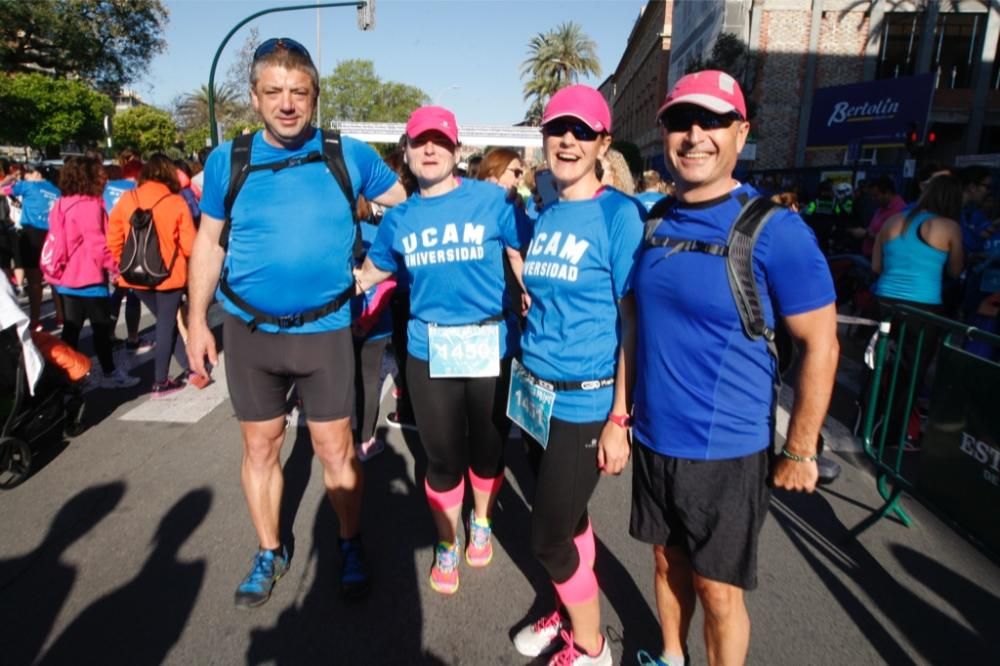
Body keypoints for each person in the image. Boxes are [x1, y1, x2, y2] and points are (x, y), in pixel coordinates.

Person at [185, 37, 406, 608]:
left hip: (326, 330)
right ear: (254, 98)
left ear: (314, 96)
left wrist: (374, 267)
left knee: (335, 450)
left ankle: (350, 542)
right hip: (250, 332)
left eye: (299, 92)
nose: (287, 103)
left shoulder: (348, 154)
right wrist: (196, 322)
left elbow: (407, 206)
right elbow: (208, 243)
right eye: (274, 92)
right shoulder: (227, 159)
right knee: (261, 448)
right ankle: (268, 550)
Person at [630, 70, 838, 666]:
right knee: (666, 561)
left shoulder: (776, 231)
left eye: (712, 121)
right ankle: (671, 655)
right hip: (653, 438)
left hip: (726, 451)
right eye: (679, 122)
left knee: (717, 591)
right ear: (664, 134)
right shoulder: (655, 222)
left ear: (741, 132)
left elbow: (822, 345)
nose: (694, 135)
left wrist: (799, 449)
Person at [355, 105, 529, 596]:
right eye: (419, 142)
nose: (429, 149)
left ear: (456, 150)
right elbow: (371, 273)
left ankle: (482, 520)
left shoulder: (493, 201)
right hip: (430, 350)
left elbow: (520, 251)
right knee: (442, 456)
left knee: (489, 449)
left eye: (440, 141)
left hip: (490, 345)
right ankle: (447, 542)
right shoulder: (400, 219)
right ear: (407, 154)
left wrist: (530, 288)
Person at [510, 85, 641, 666]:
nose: (567, 140)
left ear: (602, 144)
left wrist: (621, 416)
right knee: (571, 517)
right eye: (558, 129)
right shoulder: (548, 210)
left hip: (584, 402)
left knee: (548, 537)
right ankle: (569, 612)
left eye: (582, 131)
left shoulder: (619, 215)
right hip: (533, 392)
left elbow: (632, 323)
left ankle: (591, 647)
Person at [871, 174, 964, 446]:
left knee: (881, 365)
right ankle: (893, 434)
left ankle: (869, 420)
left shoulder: (892, 221)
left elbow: (876, 267)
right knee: (912, 374)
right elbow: (956, 271)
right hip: (923, 309)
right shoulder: (949, 227)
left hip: (885, 301)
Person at [107, 154, 198, 396]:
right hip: (169, 275)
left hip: (135, 276)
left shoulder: (128, 199)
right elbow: (190, 246)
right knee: (166, 324)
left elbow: (113, 238)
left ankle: (190, 368)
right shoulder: (175, 202)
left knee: (166, 323)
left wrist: (122, 263)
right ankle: (161, 380)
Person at [45, 156, 138, 390]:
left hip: (66, 278)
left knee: (71, 329)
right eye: (98, 173)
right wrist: (116, 270)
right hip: (89, 277)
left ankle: (66, 376)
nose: (103, 177)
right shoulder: (90, 206)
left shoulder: (62, 203)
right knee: (101, 328)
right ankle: (109, 372)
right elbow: (98, 245)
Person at [351, 197, 395, 462]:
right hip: (374, 321)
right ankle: (364, 441)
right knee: (368, 383)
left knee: (348, 381)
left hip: (342, 321)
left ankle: (348, 436)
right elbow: (389, 280)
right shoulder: (378, 232)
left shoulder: (331, 234)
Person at [10, 164, 61, 329]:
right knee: (55, 278)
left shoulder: (27, 186)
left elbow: (4, 191)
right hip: (52, 235)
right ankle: (60, 316)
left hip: (31, 234)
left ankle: (35, 319)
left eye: (28, 173)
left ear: (36, 174)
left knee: (34, 281)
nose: (25, 176)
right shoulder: (56, 189)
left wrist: (10, 179)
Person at [104, 159, 144, 351]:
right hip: (134, 245)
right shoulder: (136, 188)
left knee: (116, 292)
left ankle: (109, 334)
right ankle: (133, 336)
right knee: (133, 293)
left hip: (110, 246)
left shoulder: (103, 190)